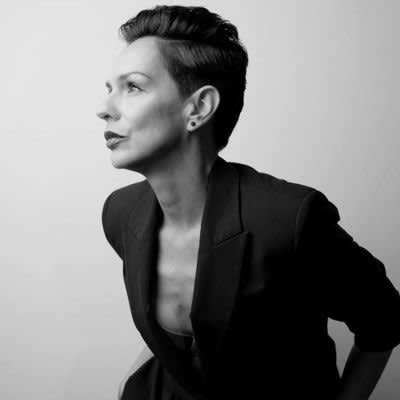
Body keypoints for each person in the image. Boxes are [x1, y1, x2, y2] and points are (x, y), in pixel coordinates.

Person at [97, 5, 400, 400]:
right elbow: (187, 338)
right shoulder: (121, 213)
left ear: (198, 108)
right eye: (110, 89)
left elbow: (384, 321)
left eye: (133, 87)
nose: (104, 109)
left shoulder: (288, 220)